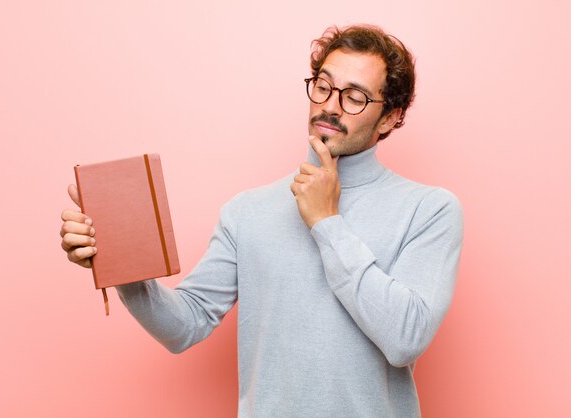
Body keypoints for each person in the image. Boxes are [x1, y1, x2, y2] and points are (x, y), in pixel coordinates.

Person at [60, 24, 463, 417]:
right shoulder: (247, 211)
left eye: (354, 97)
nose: (330, 106)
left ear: (390, 118)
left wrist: (326, 221)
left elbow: (405, 338)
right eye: (323, 86)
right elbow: (185, 325)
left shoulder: (429, 210)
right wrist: (123, 260)